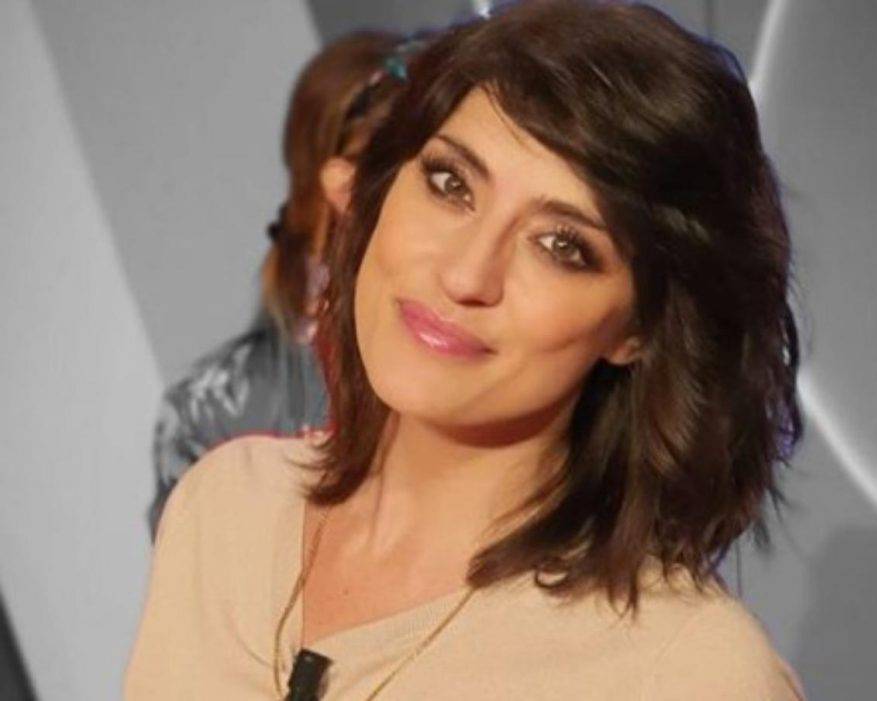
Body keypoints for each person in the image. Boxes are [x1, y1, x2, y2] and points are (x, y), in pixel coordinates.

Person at [125, 1, 807, 698]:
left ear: (639, 328)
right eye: (451, 184)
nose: (465, 274)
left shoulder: (692, 672)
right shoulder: (226, 506)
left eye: (561, 246)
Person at [147, 30, 414, 537]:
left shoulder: (461, 350)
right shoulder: (211, 412)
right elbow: (203, 582)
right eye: (385, 170)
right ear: (334, 181)